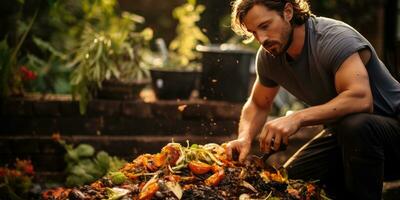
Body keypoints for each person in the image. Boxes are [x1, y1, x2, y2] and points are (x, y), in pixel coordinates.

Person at [225, 0, 400, 199]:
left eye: (265, 26)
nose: (262, 38)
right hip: (345, 139)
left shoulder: (333, 38)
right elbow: (258, 103)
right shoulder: (269, 56)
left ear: (288, 12)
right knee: (288, 186)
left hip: (390, 133)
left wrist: (296, 118)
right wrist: (244, 137)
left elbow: (360, 99)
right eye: (254, 32)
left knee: (355, 124)